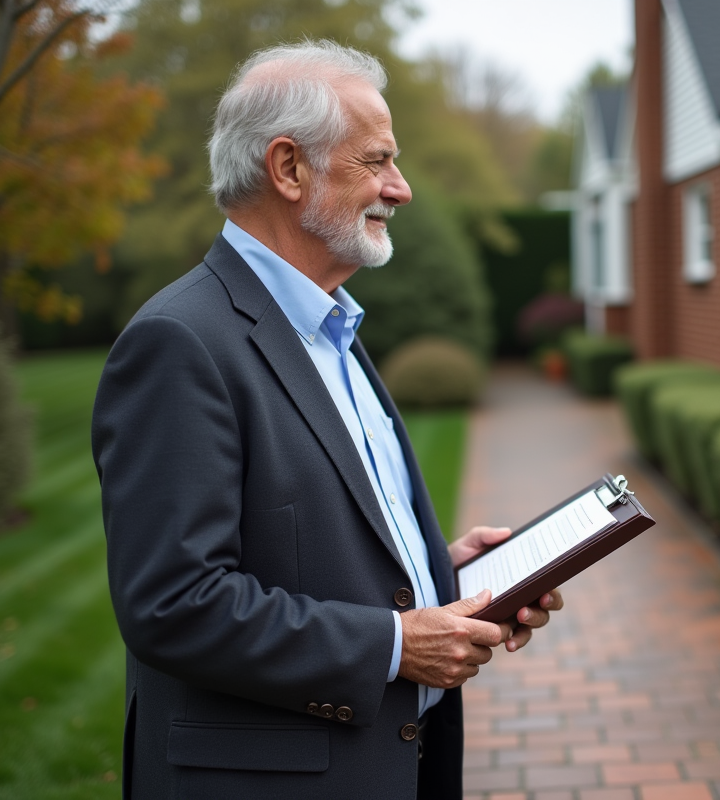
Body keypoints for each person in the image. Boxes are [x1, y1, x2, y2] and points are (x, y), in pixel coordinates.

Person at [91, 40, 562, 800]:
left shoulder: (330, 327)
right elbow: (173, 603)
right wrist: (395, 645)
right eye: (376, 161)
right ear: (288, 169)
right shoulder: (179, 344)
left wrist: (438, 574)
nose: (401, 189)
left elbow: (308, 535)